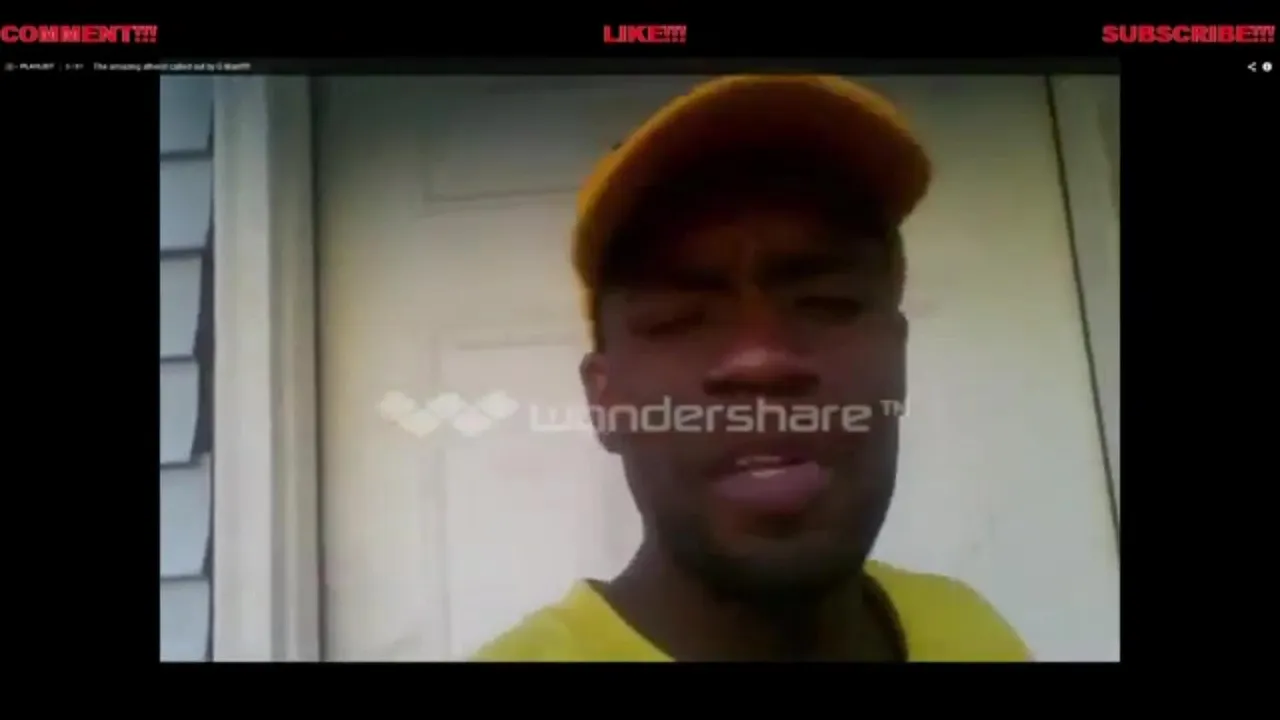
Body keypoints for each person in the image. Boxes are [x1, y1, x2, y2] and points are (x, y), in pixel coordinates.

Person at [474, 75, 1031, 662]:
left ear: (898, 358)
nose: (761, 360)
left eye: (828, 303)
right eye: (677, 319)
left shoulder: (970, 629)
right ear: (604, 401)